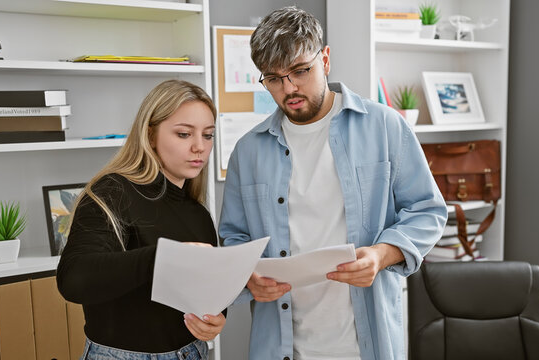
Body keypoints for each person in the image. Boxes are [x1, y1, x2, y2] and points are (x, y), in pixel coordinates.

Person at [218, 6, 448, 360]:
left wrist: (381, 255)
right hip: (279, 346)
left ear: (324, 59)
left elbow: (428, 210)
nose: (289, 88)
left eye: (300, 71)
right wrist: (248, 276)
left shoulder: (385, 127)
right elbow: (234, 238)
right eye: (274, 78)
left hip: (366, 343)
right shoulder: (247, 151)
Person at [57, 79, 225, 360]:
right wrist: (161, 258)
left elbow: (207, 292)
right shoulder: (111, 192)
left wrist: (215, 320)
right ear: (150, 135)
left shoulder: (198, 213)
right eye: (184, 134)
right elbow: (74, 278)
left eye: (207, 135)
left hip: (192, 352)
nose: (200, 147)